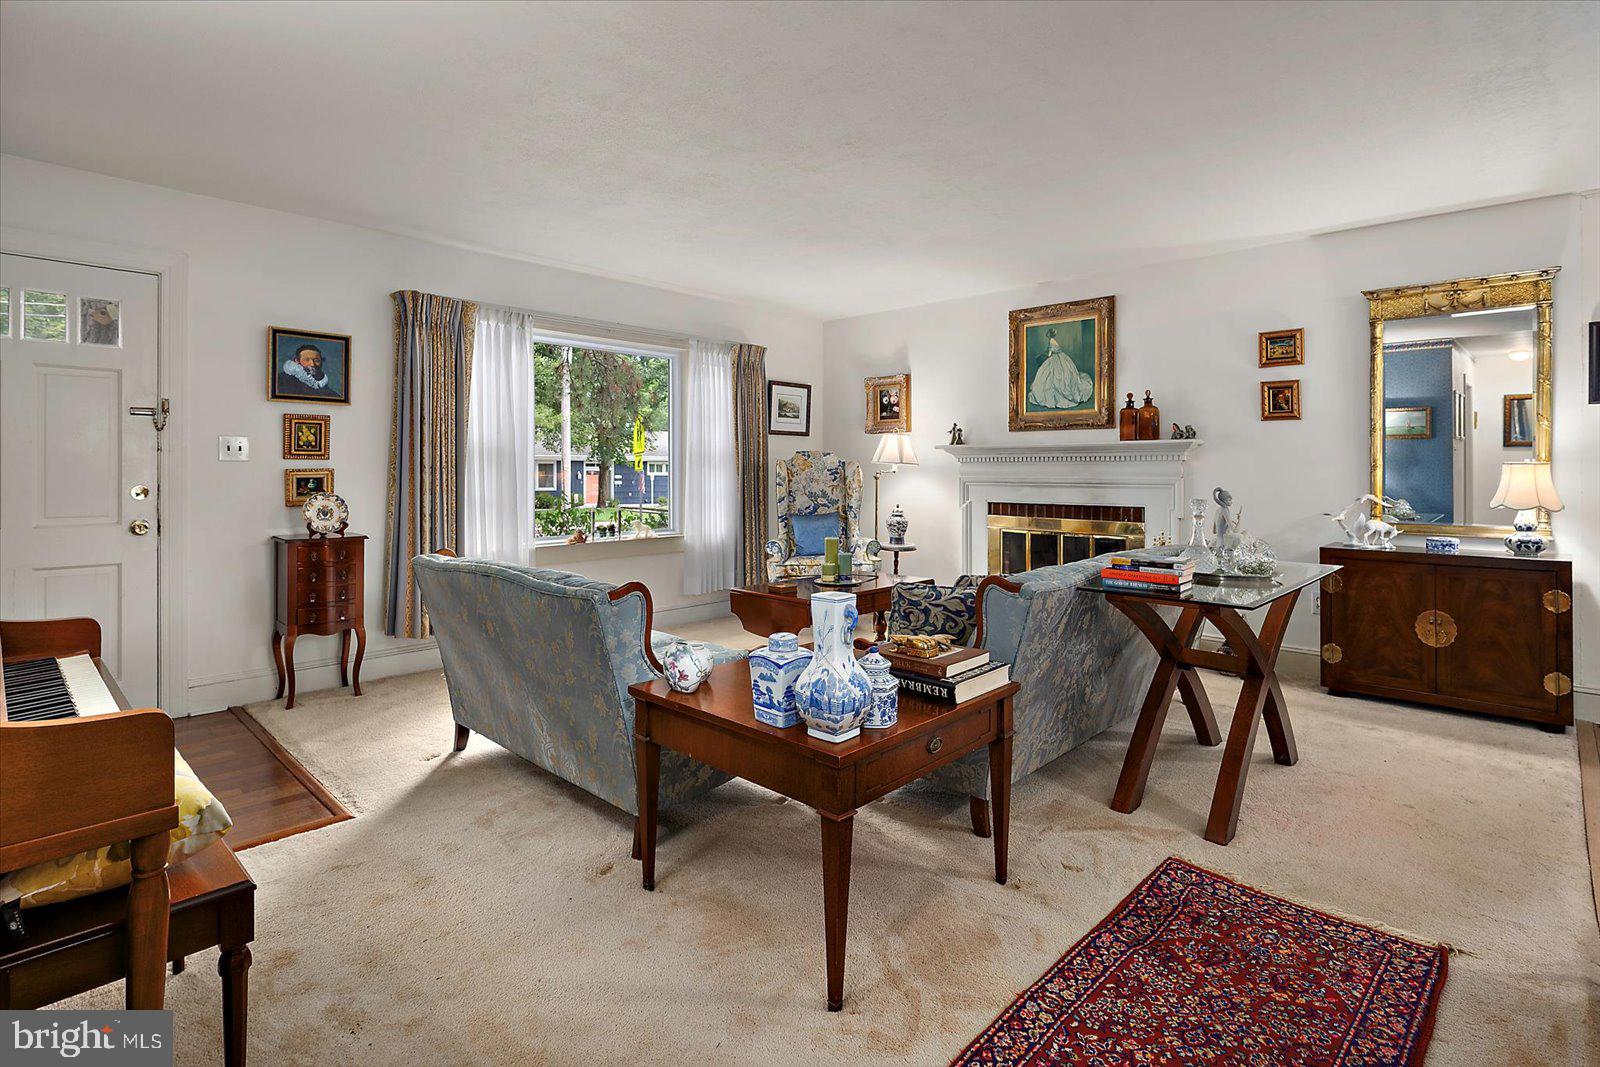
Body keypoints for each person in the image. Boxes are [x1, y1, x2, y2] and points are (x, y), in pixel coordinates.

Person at [1027, 327, 1094, 409]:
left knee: (1051, 376)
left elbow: (1049, 354)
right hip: (1059, 357)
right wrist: (1044, 353)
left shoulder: (1052, 341)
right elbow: (1049, 351)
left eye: (1048, 334)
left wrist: (1041, 356)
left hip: (1056, 358)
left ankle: (1056, 396)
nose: (1047, 335)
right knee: (1050, 376)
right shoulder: (1052, 341)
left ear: (1049, 335)